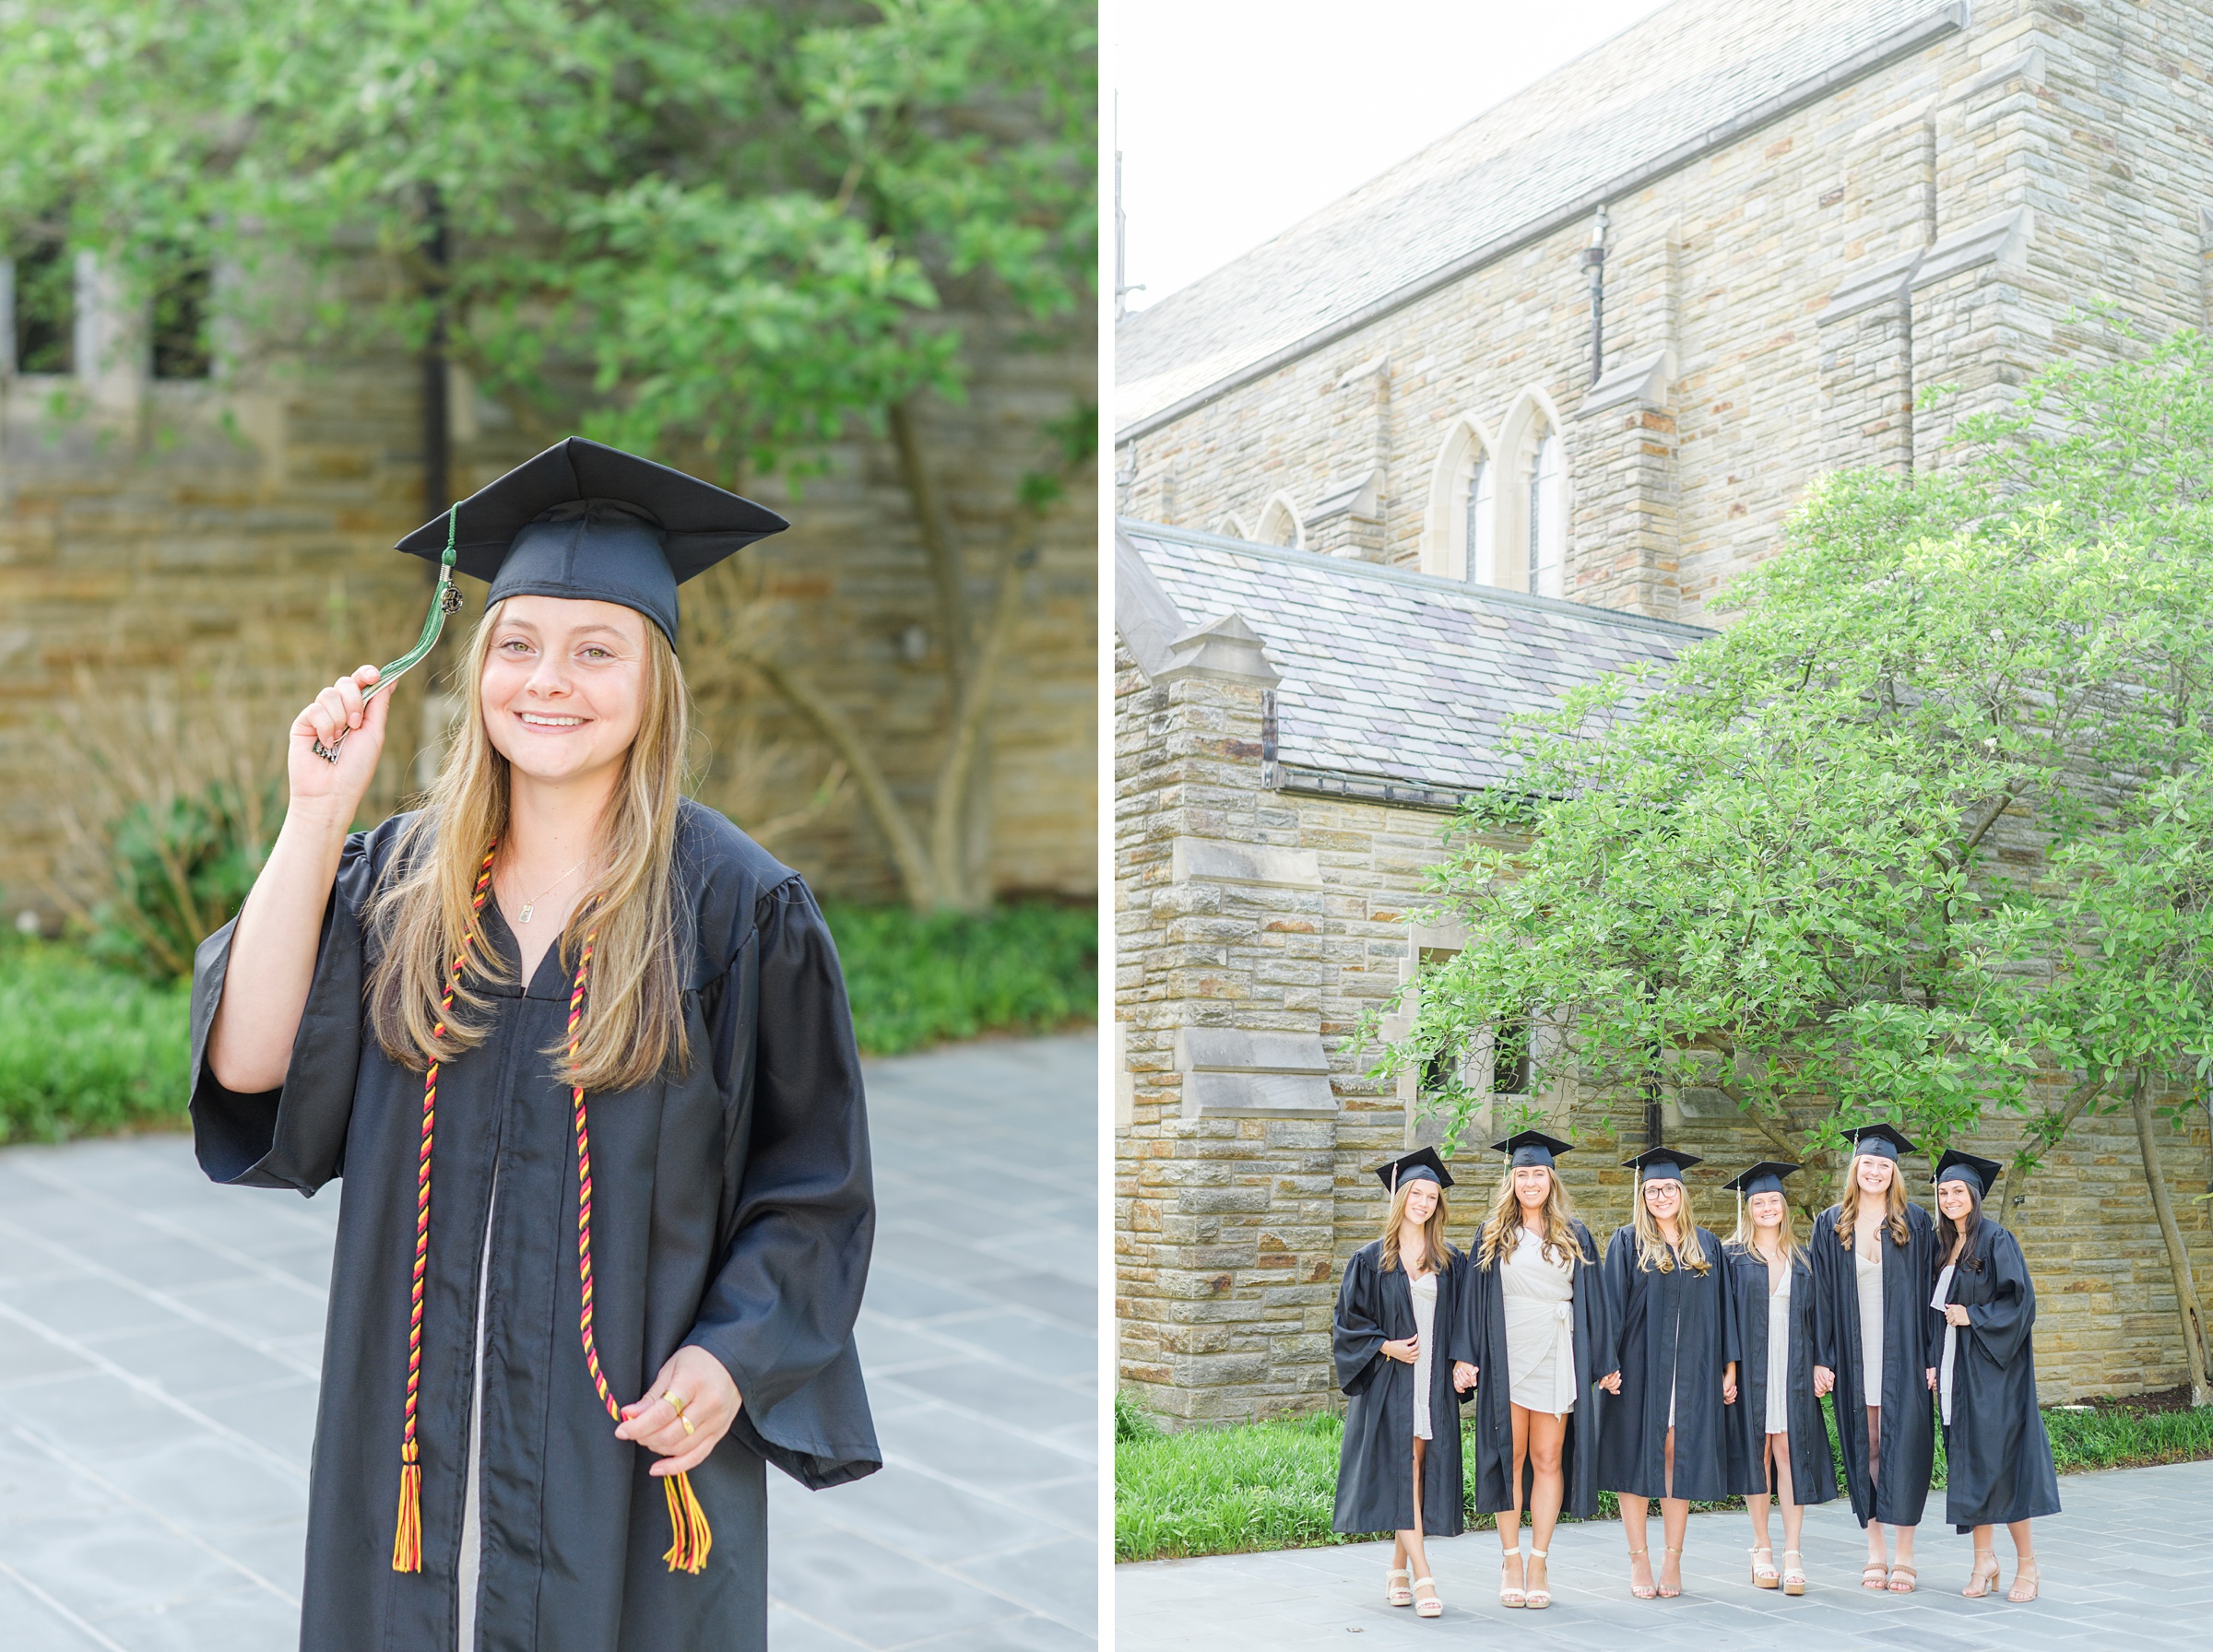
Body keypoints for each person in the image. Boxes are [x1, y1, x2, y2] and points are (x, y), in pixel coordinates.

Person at [191, 438, 880, 1651]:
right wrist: (314, 817)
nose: (548, 681)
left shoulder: (736, 908)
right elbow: (251, 1066)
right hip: (407, 1452)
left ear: (654, 677)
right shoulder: (397, 882)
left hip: (615, 1454)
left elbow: (812, 1188)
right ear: (478, 667)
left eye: (594, 649)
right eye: (518, 644)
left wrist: (732, 1361)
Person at [1452, 1130, 1612, 1611]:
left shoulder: (1575, 1234)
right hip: (1507, 1351)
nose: (1530, 1182)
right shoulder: (1492, 1233)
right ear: (1511, 1179)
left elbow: (1594, 1302)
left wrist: (1603, 1362)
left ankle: (1539, 1559)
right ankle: (1511, 1558)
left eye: (1537, 1173)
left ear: (1551, 1177)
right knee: (1510, 1456)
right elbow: (1471, 1301)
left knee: (1547, 1458)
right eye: (1522, 1174)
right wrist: (1466, 1355)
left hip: (1556, 1348)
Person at [1331, 1148, 1472, 1619]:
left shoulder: (1451, 1260)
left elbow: (1466, 1321)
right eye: (1416, 1193)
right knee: (1405, 1466)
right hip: (1392, 1379)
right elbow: (1347, 1323)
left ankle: (1396, 1569)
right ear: (1400, 1196)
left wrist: (1462, 1361)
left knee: (1419, 1464)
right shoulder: (1371, 1259)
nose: (1424, 1202)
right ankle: (1424, 1573)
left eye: (1432, 1196)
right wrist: (1385, 1346)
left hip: (1432, 1377)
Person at [1594, 1148, 1737, 1601]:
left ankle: (1672, 1558)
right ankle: (1640, 1560)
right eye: (1652, 1189)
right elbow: (1609, 1307)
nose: (1660, 1196)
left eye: (1668, 1188)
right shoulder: (1626, 1242)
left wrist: (1728, 1367)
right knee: (1637, 1456)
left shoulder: (1707, 1245)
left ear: (1682, 1192)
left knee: (1680, 1454)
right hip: (1638, 1369)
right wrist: (1606, 1364)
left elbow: (1724, 1311)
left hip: (1692, 1369)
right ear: (1642, 1194)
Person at [1808, 1121, 1936, 1595]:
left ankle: (1905, 1553)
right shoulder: (1830, 1224)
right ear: (1855, 1167)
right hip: (1853, 1352)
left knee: (1904, 1445)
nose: (1876, 1171)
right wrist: (1821, 1358)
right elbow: (1819, 1296)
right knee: (1868, 1446)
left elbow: (1930, 1296)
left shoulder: (1916, 1222)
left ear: (1895, 1171)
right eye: (1868, 1163)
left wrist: (1931, 1356)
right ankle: (1875, 1551)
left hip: (1903, 1350)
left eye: (1885, 1164)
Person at [1930, 1149, 2059, 1602]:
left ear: (1975, 1194)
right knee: (1969, 1463)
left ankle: (2028, 1566)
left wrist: (1975, 1316)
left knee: (2002, 1465)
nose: (1949, 1199)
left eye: (1958, 1191)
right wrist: (1932, 1361)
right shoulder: (1943, 1244)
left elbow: (2021, 1304)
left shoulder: (1997, 1239)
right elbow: (1933, 1313)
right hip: (1953, 1371)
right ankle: (1984, 1560)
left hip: (1993, 1372)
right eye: (1943, 1192)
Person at [1719, 1162, 1835, 1598]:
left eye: (1774, 1201)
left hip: (1795, 1361)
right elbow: (1722, 1319)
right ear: (1747, 1209)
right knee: (1758, 1449)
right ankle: (1761, 1547)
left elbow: (1820, 1317)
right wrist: (1727, 1368)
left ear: (1785, 1208)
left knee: (1791, 1450)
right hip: (1751, 1362)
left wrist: (1823, 1362)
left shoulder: (1804, 1257)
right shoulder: (1731, 1256)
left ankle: (1793, 1553)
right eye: (1759, 1202)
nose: (1767, 1208)